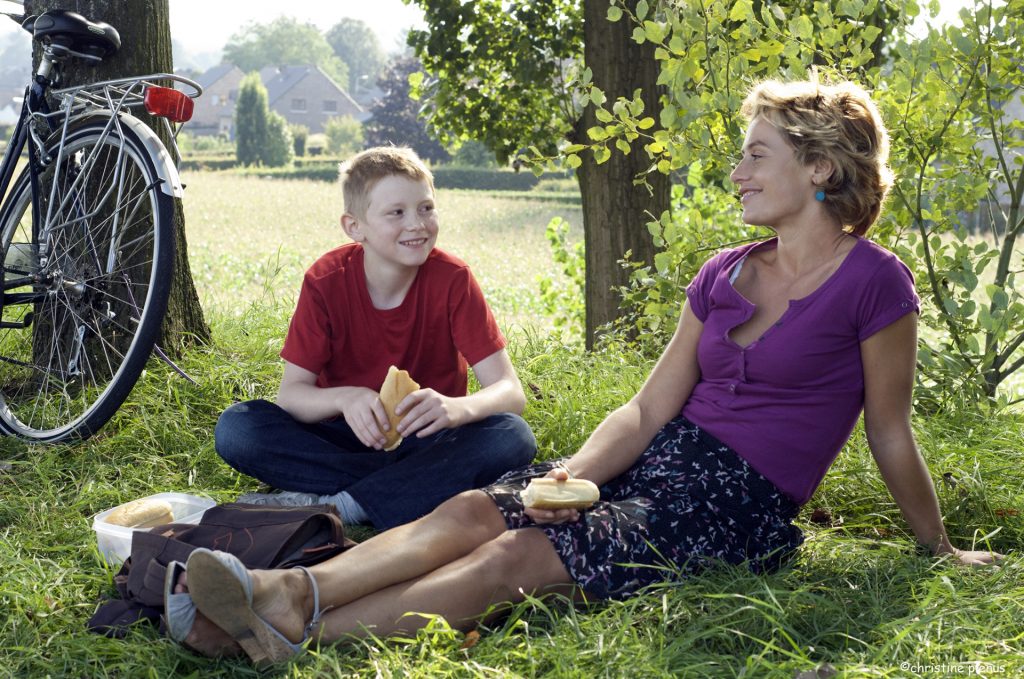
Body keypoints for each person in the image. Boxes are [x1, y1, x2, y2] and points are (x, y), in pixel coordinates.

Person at [180, 79, 1001, 663]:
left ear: (820, 167)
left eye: (758, 155)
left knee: (517, 559)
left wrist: (937, 546)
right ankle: (284, 588)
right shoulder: (722, 272)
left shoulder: (875, 283)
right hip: (658, 459)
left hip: (737, 500)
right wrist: (572, 474)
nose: (738, 172)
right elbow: (647, 411)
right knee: (481, 507)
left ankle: (300, 624)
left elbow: (890, 429)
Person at [213, 146, 536, 530]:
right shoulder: (325, 281)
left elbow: (509, 392)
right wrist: (345, 398)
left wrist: (455, 408)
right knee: (237, 428)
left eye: (426, 208)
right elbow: (292, 396)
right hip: (340, 438)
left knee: (512, 436)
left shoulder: (453, 279)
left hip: (426, 437)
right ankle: (401, 491)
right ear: (355, 227)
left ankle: (342, 506)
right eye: (396, 213)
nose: (417, 224)